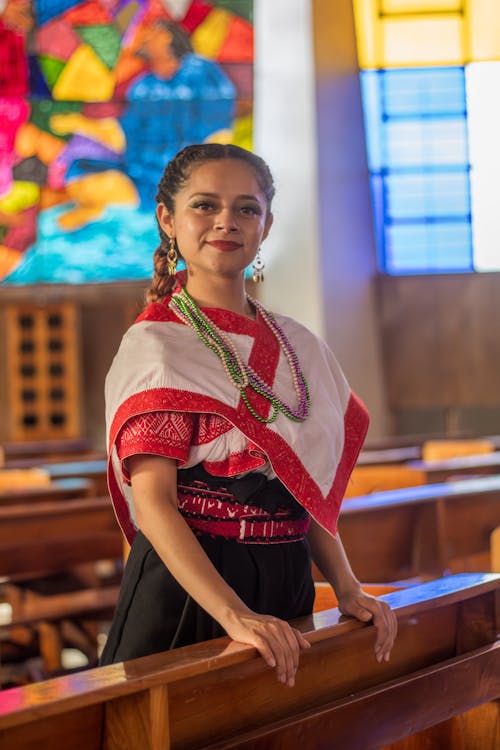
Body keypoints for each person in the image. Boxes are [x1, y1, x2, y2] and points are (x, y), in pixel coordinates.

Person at [100, 143, 397, 687]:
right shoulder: (157, 345)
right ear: (167, 218)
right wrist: (231, 612)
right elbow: (156, 504)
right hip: (191, 589)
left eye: (246, 209)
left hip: (287, 578)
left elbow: (306, 490)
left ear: (266, 224)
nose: (226, 223)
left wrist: (350, 587)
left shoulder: (301, 345)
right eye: (204, 205)